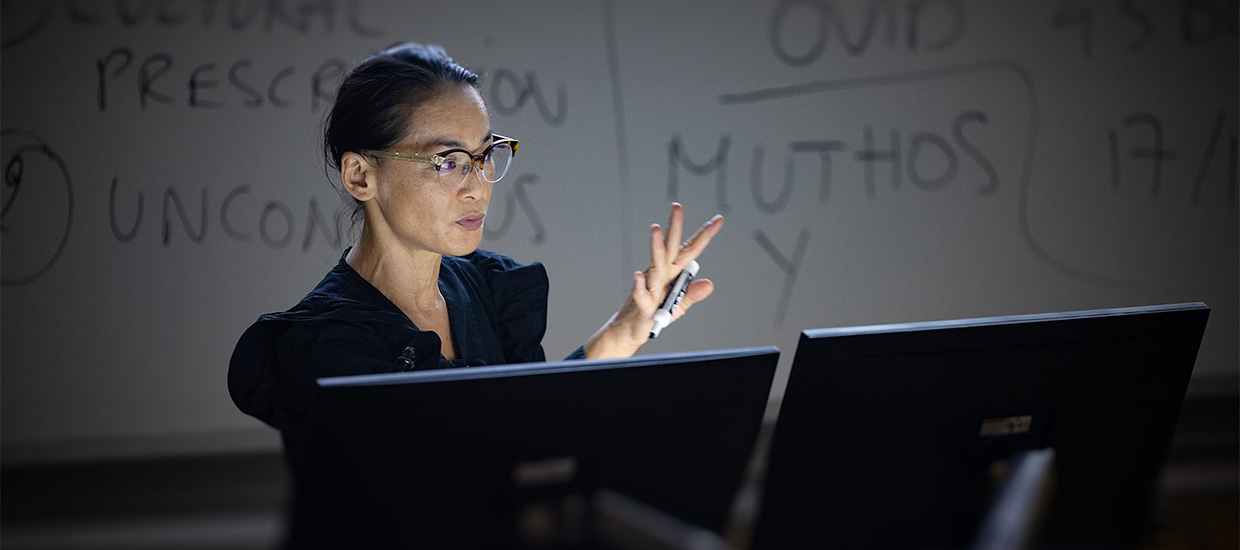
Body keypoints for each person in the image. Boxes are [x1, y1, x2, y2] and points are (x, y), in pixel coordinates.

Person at [226, 42, 722, 543]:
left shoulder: (486, 286)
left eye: (485, 155)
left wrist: (629, 327)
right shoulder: (325, 344)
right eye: (446, 161)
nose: (478, 186)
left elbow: (536, 428)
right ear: (360, 176)